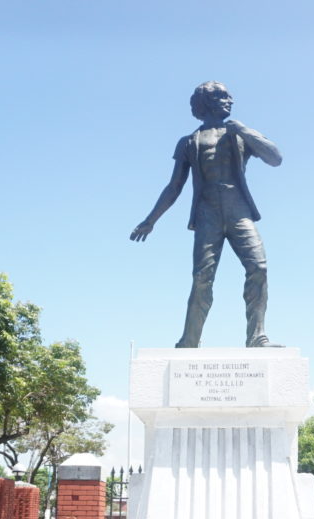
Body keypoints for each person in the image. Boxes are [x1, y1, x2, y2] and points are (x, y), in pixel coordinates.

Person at [130, 81, 283, 349]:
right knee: (202, 278)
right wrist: (151, 220)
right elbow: (174, 186)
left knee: (258, 267)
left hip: (239, 210)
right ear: (207, 102)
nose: (230, 100)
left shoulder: (239, 134)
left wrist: (244, 130)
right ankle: (189, 341)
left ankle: (257, 336)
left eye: (229, 95)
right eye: (222, 96)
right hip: (207, 213)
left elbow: (275, 158)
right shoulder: (189, 142)